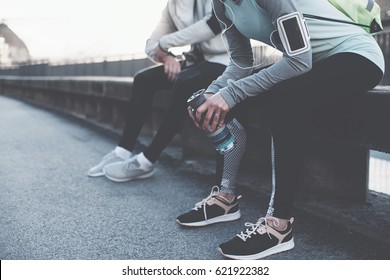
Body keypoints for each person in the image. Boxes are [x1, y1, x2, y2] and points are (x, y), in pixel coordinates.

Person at [182, 0, 385, 260]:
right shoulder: (221, 5)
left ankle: (279, 226)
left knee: (284, 99)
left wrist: (231, 93)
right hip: (313, 64)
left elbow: (298, 61)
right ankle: (225, 197)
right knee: (220, 102)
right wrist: (214, 91)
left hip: (356, 57)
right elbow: (241, 64)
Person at [87, 0, 247, 216]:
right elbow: (150, 44)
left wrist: (165, 44)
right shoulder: (171, 8)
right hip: (195, 64)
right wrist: (166, 55)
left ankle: (147, 159)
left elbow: (212, 24)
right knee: (143, 79)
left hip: (225, 64)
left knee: (184, 82)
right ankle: (122, 151)